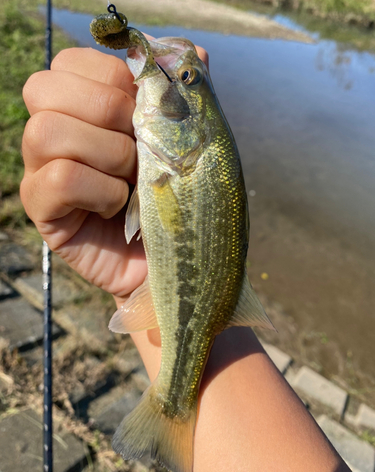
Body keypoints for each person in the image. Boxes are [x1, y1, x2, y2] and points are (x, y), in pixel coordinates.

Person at [21, 46, 350, 472]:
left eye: (187, 80)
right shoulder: (180, 157)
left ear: (194, 127)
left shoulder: (189, 159)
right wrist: (133, 284)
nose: (175, 72)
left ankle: (172, 407)